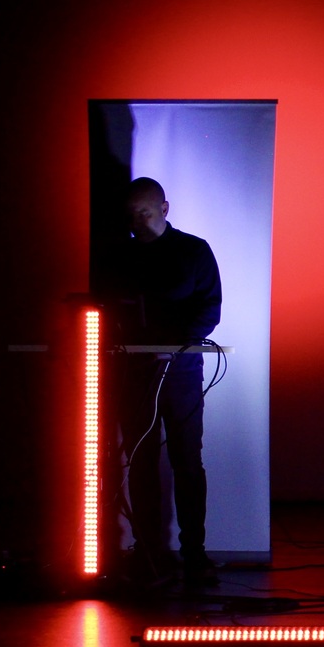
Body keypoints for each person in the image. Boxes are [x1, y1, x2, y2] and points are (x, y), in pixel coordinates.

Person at [102, 177, 223, 587]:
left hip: (181, 374)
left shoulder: (193, 251)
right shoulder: (120, 258)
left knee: (187, 460)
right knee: (141, 462)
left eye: (145, 213)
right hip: (134, 374)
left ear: (164, 209)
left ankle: (194, 554)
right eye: (132, 215)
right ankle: (148, 551)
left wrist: (176, 345)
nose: (137, 222)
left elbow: (210, 307)